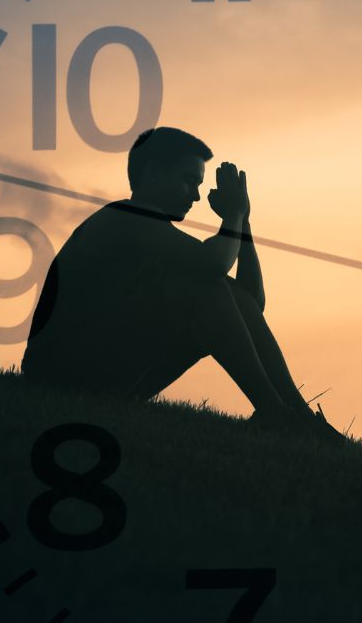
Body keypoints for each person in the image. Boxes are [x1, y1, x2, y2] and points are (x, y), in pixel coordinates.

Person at [21, 126, 338, 438]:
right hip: (59, 371)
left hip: (99, 369)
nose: (197, 195)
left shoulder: (154, 234)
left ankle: (297, 415)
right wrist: (233, 217)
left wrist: (244, 221)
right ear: (154, 173)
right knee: (203, 286)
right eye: (189, 181)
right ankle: (276, 413)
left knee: (217, 294)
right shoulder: (127, 217)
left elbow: (250, 302)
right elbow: (212, 265)